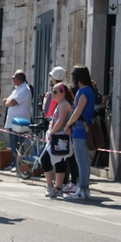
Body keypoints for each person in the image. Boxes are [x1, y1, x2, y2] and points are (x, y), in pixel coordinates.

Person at [64, 65, 95, 199]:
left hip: (80, 129)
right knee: (83, 161)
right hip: (81, 128)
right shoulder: (84, 90)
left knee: (81, 161)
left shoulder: (84, 91)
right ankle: (84, 189)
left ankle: (82, 189)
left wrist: (68, 124)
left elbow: (78, 111)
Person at [40, 83, 74, 197]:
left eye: (55, 92)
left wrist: (52, 132)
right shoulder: (60, 104)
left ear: (62, 93)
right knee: (59, 161)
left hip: (60, 137)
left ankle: (50, 185)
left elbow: (61, 120)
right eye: (52, 91)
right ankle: (58, 187)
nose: (52, 94)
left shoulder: (64, 104)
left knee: (45, 159)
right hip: (58, 136)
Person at [3, 69, 32, 172]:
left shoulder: (24, 89)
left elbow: (12, 101)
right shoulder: (16, 89)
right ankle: (13, 164)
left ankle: (18, 165)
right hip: (13, 121)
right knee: (13, 143)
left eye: (13, 78)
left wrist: (7, 102)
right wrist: (7, 102)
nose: (12, 79)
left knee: (18, 144)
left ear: (18, 79)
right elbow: (7, 101)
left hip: (20, 122)